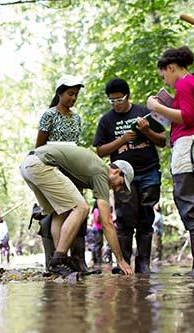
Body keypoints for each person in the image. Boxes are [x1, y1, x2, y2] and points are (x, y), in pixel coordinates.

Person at [147, 46, 194, 277]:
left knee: (192, 207)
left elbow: (187, 117)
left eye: (163, 75)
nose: (165, 80)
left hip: (190, 148)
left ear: (171, 68)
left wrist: (158, 108)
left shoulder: (185, 83)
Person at [19, 143, 135, 276]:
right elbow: (107, 223)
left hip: (28, 165)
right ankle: (58, 259)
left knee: (61, 211)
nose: (118, 189)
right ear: (116, 171)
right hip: (40, 165)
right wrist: (120, 260)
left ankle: (58, 263)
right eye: (120, 183)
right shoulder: (102, 172)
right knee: (81, 207)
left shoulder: (93, 166)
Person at [94, 78, 167, 274]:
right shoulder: (106, 121)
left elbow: (162, 141)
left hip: (148, 171)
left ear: (128, 96)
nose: (116, 104)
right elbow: (100, 151)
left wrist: (147, 131)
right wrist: (122, 140)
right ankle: (124, 263)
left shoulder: (144, 112)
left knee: (146, 217)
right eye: (112, 101)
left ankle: (143, 264)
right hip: (122, 177)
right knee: (125, 219)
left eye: (119, 99)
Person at [35, 74, 91, 273]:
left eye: (76, 95)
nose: (73, 98)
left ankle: (73, 259)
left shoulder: (76, 118)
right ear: (60, 93)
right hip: (51, 167)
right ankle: (60, 257)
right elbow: (39, 146)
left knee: (76, 209)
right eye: (69, 94)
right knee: (60, 211)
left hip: (72, 168)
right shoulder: (49, 115)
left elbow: (75, 145)